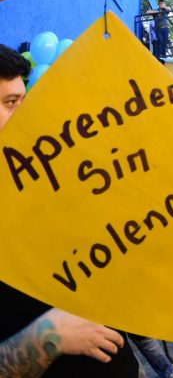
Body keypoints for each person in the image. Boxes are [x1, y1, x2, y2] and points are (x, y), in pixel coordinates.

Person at [0, 45, 139, 376]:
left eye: (23, 100)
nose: (24, 114)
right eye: (10, 103)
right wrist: (49, 337)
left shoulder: (44, 183)